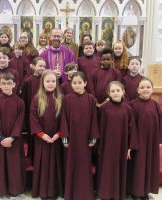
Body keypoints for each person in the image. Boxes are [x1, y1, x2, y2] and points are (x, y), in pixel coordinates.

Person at [128, 78, 162, 200]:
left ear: (152, 89)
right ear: (137, 90)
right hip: (138, 142)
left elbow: (160, 123)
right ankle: (135, 192)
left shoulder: (155, 105)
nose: (145, 90)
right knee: (138, 166)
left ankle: (145, 190)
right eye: (142, 87)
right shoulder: (132, 105)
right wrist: (131, 144)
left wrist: (160, 140)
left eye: (148, 87)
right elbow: (130, 126)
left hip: (151, 141)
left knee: (148, 166)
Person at [60, 71, 99, 200]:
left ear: (85, 83)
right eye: (74, 83)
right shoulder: (67, 99)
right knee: (71, 164)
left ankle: (85, 193)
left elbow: (94, 119)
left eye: (79, 83)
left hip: (85, 139)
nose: (77, 85)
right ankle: (71, 192)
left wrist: (93, 137)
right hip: (72, 138)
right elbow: (64, 119)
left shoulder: (91, 99)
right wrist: (65, 136)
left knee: (84, 164)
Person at [97, 81, 138, 200]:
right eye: (113, 91)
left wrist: (130, 147)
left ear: (123, 92)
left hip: (122, 145)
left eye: (118, 90)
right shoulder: (104, 108)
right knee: (107, 168)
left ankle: (118, 193)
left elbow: (132, 128)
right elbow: (98, 126)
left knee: (119, 168)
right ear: (108, 93)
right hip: (106, 145)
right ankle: (105, 193)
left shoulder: (128, 109)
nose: (115, 93)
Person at [0, 72, 26, 199]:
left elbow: (20, 121)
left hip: (14, 140)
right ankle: (0, 189)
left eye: (9, 83)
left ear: (14, 85)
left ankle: (15, 189)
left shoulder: (19, 102)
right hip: (0, 140)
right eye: (4, 84)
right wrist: (0, 137)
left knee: (14, 165)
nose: (6, 86)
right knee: (0, 165)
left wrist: (12, 137)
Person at [30, 70, 64, 200]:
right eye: (47, 81)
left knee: (56, 163)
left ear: (57, 83)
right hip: (41, 138)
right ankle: (43, 191)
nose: (50, 84)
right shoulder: (36, 99)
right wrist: (41, 134)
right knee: (43, 163)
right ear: (42, 82)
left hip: (56, 137)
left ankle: (54, 190)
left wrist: (59, 133)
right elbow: (33, 118)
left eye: (53, 81)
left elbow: (64, 119)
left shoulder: (61, 98)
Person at [21, 57, 46, 163]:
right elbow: (25, 99)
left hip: (45, 113)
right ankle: (33, 157)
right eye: (40, 66)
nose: (42, 68)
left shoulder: (45, 80)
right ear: (33, 66)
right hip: (32, 114)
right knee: (33, 136)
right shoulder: (28, 81)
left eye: (44, 66)